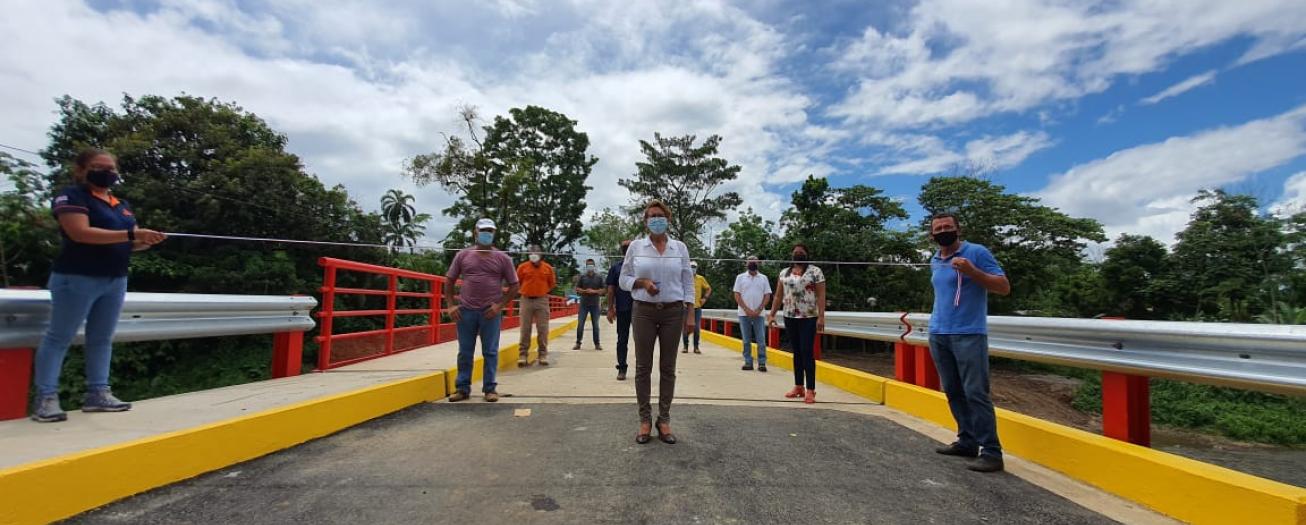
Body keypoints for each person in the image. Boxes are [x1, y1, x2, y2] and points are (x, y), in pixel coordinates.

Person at [31, 149, 167, 423]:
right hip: (77, 276)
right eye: (98, 166)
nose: (106, 172)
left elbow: (130, 242)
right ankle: (46, 398)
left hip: (114, 279)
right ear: (81, 169)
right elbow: (79, 233)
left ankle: (98, 393)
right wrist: (131, 234)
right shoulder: (71, 196)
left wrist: (145, 241)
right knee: (60, 337)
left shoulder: (120, 204)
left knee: (102, 338)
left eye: (111, 167)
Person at [926, 212, 1010, 473]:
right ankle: (967, 440)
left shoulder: (976, 253)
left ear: (958, 230)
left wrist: (972, 272)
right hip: (939, 332)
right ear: (932, 235)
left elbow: (1003, 286)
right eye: (938, 228)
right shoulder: (935, 260)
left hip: (969, 333)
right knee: (953, 390)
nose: (943, 231)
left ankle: (992, 451)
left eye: (947, 227)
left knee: (975, 392)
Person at [620, 200, 695, 445]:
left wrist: (691, 312)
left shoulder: (679, 248)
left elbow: (687, 281)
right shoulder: (636, 247)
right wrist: (641, 283)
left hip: (673, 312)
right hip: (643, 311)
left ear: (668, 219)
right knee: (643, 367)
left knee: (668, 367)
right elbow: (624, 279)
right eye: (651, 216)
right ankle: (644, 419)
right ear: (645, 221)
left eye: (659, 215)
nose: (655, 219)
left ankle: (664, 420)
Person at [445, 218, 520, 403]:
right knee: (465, 351)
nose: (487, 234)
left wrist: (499, 306)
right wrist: (450, 305)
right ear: (475, 232)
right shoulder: (463, 255)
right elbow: (449, 280)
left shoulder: (502, 258)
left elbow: (514, 285)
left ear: (494, 233)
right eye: (484, 230)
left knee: (491, 352)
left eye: (490, 231)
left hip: (490, 312)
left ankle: (490, 389)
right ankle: (462, 388)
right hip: (466, 310)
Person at [767, 244, 825, 405]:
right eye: (796, 252)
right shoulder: (784, 273)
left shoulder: (815, 272)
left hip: (809, 317)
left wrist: (821, 316)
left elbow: (821, 295)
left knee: (807, 351)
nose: (798, 253)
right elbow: (778, 296)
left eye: (801, 251)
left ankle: (811, 389)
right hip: (790, 316)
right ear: (792, 255)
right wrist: (772, 314)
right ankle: (798, 386)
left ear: (807, 254)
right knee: (797, 352)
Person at [515, 244, 556, 367]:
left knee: (543, 329)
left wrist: (541, 291)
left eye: (536, 252)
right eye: (531, 252)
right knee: (525, 328)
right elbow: (518, 282)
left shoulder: (547, 268)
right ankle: (523, 355)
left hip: (542, 300)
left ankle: (542, 354)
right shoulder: (522, 267)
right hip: (526, 299)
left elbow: (552, 284)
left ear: (541, 254)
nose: (533, 254)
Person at [733, 256, 772, 372]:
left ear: (758, 263)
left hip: (759, 314)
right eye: (750, 260)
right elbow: (737, 295)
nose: (752, 262)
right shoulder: (740, 278)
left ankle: (762, 363)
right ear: (746, 263)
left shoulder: (763, 278)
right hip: (743, 313)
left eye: (754, 260)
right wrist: (747, 309)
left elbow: (767, 295)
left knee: (761, 339)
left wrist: (759, 309)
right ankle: (748, 362)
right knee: (746, 339)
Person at [605, 240, 634, 380]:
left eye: (629, 247)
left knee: (643, 340)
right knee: (622, 340)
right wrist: (610, 309)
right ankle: (622, 368)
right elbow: (610, 290)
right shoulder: (616, 268)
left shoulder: (640, 267)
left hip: (640, 310)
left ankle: (643, 368)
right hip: (622, 309)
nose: (627, 250)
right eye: (625, 248)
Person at [572, 258, 605, 350]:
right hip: (584, 304)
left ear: (594, 266)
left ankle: (597, 344)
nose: (590, 267)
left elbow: (603, 290)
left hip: (595, 304)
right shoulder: (582, 277)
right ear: (586, 267)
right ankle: (578, 343)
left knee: (595, 325)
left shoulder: (599, 277)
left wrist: (594, 291)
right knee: (580, 324)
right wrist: (584, 291)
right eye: (588, 265)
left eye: (591, 265)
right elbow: (577, 288)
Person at [682, 261, 710, 353]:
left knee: (696, 328)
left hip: (697, 307)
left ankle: (696, 347)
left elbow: (708, 289)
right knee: (686, 327)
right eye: (691, 266)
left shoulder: (700, 278)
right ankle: (685, 346)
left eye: (694, 267)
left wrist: (704, 298)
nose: (692, 268)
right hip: (685, 306)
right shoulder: (684, 278)